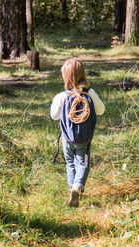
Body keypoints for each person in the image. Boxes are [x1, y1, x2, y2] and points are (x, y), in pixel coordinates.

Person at [50, 58, 105, 207]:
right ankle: (77, 187)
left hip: (67, 138)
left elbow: (54, 115)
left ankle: (71, 190)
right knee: (83, 163)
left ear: (65, 76)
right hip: (84, 138)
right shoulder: (90, 93)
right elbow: (101, 111)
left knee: (70, 162)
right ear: (83, 74)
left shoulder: (62, 96)